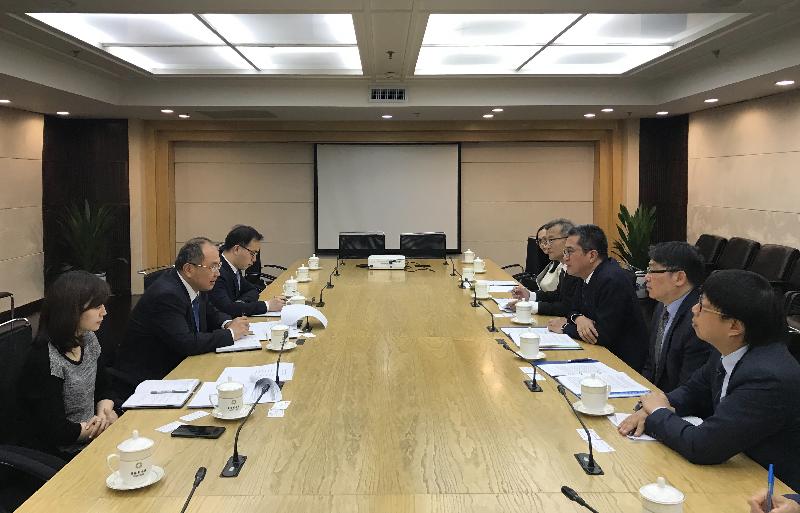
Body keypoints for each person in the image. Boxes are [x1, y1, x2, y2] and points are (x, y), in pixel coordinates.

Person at [618, 270, 800, 493]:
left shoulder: (768, 377)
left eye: (703, 306)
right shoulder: (728, 350)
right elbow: (693, 391)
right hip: (735, 469)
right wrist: (651, 408)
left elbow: (702, 446)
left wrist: (658, 413)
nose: (694, 310)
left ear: (734, 326)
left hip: (769, 490)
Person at [112, 237, 251, 402]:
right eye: (212, 266)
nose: (218, 273)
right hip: (151, 381)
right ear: (189, 269)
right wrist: (230, 334)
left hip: (182, 367)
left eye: (218, 265)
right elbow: (186, 342)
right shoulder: (166, 295)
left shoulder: (196, 283)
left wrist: (228, 323)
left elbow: (211, 313)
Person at [19, 271, 118, 459]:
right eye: (97, 306)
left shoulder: (88, 338)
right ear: (72, 310)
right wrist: (98, 427)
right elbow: (56, 431)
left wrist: (105, 411)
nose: (104, 312)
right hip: (60, 454)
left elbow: (105, 388)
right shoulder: (44, 358)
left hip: (92, 439)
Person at [546, 224, 648, 371]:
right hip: (599, 354)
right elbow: (571, 308)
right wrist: (578, 318)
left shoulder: (612, 280)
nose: (565, 258)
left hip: (622, 365)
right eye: (564, 252)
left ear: (592, 255)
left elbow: (601, 335)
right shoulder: (585, 273)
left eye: (570, 252)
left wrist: (565, 327)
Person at [640, 242, 711, 392]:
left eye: (653, 271)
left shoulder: (698, 319)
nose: (646, 277)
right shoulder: (662, 305)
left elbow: (689, 388)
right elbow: (651, 364)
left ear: (679, 278)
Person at [508, 219, 582, 316]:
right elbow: (558, 295)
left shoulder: (577, 268)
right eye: (544, 241)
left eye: (550, 240)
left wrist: (530, 306)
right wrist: (530, 296)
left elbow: (567, 307)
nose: (546, 246)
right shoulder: (564, 265)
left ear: (568, 239)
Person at [210, 225, 286, 317]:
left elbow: (252, 289)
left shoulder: (233, 267)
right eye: (252, 253)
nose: (254, 259)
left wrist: (241, 303)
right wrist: (267, 305)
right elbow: (228, 309)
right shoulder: (217, 272)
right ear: (237, 249)